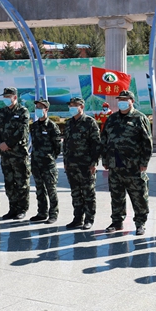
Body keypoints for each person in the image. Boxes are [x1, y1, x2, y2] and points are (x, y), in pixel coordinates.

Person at [101, 90, 153, 235]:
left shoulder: (139, 118)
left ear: (132, 101)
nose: (122, 102)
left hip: (133, 166)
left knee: (139, 196)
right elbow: (104, 140)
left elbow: (147, 142)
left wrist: (144, 162)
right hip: (115, 165)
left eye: (125, 99)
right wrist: (105, 159)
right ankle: (117, 222)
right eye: (120, 99)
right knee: (116, 196)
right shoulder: (112, 119)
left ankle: (140, 223)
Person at [63, 97, 101, 229]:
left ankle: (89, 219)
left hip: (86, 164)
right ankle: (77, 218)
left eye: (75, 105)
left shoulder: (89, 122)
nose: (72, 107)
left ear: (82, 107)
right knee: (75, 193)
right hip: (71, 164)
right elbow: (66, 144)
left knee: (88, 193)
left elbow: (96, 144)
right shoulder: (69, 123)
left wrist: (94, 162)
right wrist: (65, 161)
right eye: (70, 105)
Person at [0, 87, 31, 220]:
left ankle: (22, 209)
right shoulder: (2, 112)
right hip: (5, 155)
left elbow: (22, 131)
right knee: (9, 183)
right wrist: (0, 143)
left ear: (15, 97)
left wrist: (8, 144)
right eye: (4, 97)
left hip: (18, 154)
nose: (6, 99)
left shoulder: (23, 111)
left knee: (21, 182)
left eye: (8, 97)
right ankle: (13, 208)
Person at [29, 98, 61, 223]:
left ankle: (53, 213)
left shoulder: (52, 126)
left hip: (48, 164)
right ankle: (42, 212)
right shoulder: (34, 126)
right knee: (39, 189)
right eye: (36, 107)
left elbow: (57, 146)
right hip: (36, 162)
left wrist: (50, 157)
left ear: (46, 109)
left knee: (51, 189)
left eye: (40, 107)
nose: (38, 109)